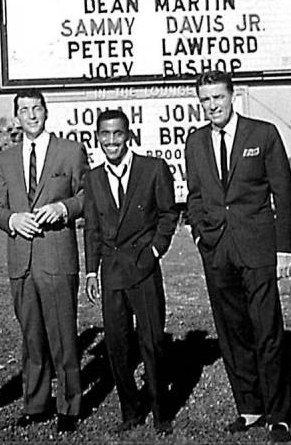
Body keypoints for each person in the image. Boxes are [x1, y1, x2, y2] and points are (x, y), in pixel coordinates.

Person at [185, 70, 291, 443]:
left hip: (259, 248)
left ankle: (278, 415)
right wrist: (202, 236)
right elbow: (195, 196)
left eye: (218, 97)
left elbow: (284, 193)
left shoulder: (262, 134)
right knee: (232, 332)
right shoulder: (195, 141)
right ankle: (249, 407)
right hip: (217, 251)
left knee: (266, 330)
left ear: (232, 96)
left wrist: (284, 249)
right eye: (205, 99)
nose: (212, 105)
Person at [0, 90, 88, 434]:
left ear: (46, 112)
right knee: (31, 337)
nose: (31, 115)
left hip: (57, 257)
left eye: (36, 109)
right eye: (24, 110)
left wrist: (64, 209)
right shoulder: (4, 160)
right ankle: (36, 404)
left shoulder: (70, 151)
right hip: (21, 260)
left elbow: (87, 195)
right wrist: (11, 220)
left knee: (63, 336)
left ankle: (70, 405)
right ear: (17, 116)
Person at [85, 109, 178, 435]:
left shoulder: (152, 169)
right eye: (105, 135)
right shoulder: (93, 178)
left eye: (117, 134)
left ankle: (160, 410)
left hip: (144, 269)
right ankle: (131, 410)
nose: (111, 141)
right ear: (98, 137)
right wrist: (91, 272)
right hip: (110, 273)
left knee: (152, 341)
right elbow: (92, 229)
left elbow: (169, 214)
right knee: (117, 345)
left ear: (129, 135)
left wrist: (155, 249)